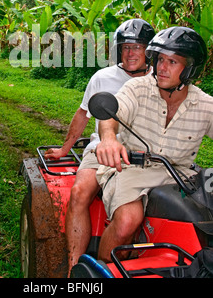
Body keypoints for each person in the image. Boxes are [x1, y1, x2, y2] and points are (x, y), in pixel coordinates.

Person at [44, 18, 156, 275]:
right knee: (79, 192)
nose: (131, 53)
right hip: (101, 149)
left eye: (138, 47)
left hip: (143, 154)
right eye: (126, 47)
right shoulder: (102, 77)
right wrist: (64, 149)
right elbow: (83, 114)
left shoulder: (160, 79)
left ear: (149, 51)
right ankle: (74, 268)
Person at [95, 26, 213, 263]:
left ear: (190, 70)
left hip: (177, 176)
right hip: (130, 169)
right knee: (128, 220)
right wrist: (108, 139)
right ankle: (103, 269)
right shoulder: (137, 88)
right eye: (160, 59)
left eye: (172, 62)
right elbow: (111, 115)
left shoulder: (205, 105)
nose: (161, 67)